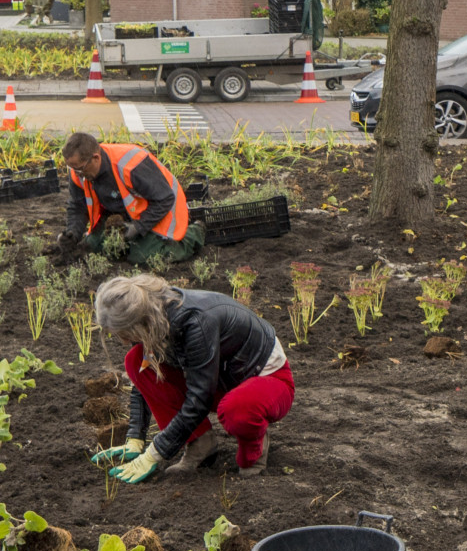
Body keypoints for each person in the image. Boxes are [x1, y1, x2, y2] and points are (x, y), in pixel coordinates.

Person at [89, 274, 292, 482]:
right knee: (135, 360)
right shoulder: (147, 312)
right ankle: (200, 443)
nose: (123, 341)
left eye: (124, 334)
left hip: (267, 380)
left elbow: (200, 398)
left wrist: (154, 453)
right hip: (219, 377)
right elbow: (145, 368)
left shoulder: (196, 321)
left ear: (139, 322)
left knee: (237, 410)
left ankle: (253, 456)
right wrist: (135, 438)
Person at [58, 133, 206, 266]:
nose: (77, 174)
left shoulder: (131, 165)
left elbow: (165, 198)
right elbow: (77, 206)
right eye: (72, 169)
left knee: (143, 257)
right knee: (92, 249)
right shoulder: (78, 171)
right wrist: (73, 234)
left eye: (79, 169)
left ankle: (195, 233)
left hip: (159, 210)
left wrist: (137, 227)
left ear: (96, 158)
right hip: (122, 213)